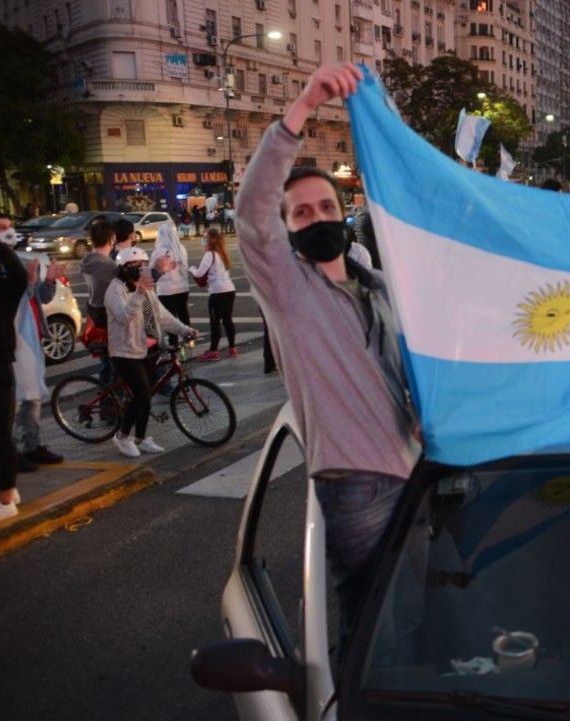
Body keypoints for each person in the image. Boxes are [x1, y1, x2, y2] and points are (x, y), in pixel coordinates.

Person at [235, 62, 418, 658]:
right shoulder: (288, 293)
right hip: (357, 491)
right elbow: (251, 214)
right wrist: (304, 105)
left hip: (421, 474)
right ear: (286, 231)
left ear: (346, 213)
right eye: (301, 213)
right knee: (370, 633)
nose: (317, 218)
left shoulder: (381, 289)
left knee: (425, 615)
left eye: (325, 207)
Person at [104, 247, 197, 458]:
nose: (140, 269)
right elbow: (123, 317)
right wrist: (139, 294)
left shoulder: (145, 289)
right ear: (123, 268)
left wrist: (185, 330)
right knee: (142, 395)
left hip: (148, 348)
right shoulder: (115, 289)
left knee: (147, 396)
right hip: (124, 351)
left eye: (143, 265)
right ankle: (122, 435)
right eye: (135, 266)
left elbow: (162, 317)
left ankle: (141, 437)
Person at [12, 254, 66, 473]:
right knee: (14, 401)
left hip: (32, 339)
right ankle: (12, 452)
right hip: (11, 343)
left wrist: (50, 280)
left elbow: (42, 298)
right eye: (1, 229)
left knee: (32, 398)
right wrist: (30, 282)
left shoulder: (20, 259)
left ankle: (30, 446)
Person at [0, 214, 29, 522]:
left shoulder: (3, 289)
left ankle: (6, 497)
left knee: (0, 434)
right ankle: (5, 490)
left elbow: (19, 275)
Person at [80, 220, 119, 384]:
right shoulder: (107, 264)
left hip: (95, 314)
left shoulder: (87, 260)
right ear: (111, 239)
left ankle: (105, 396)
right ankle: (111, 401)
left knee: (106, 362)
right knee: (116, 364)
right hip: (108, 316)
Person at [191, 228, 238, 360]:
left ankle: (213, 351)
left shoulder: (210, 254)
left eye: (204, 238)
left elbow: (199, 273)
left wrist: (192, 269)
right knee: (228, 320)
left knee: (215, 322)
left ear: (210, 240)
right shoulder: (222, 253)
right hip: (230, 290)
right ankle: (232, 348)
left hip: (217, 292)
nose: (202, 241)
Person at [151, 221, 192, 327]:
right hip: (183, 287)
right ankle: (188, 339)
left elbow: (151, 270)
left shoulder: (158, 251)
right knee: (183, 314)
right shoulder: (181, 248)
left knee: (169, 317)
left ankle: (173, 341)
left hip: (166, 289)